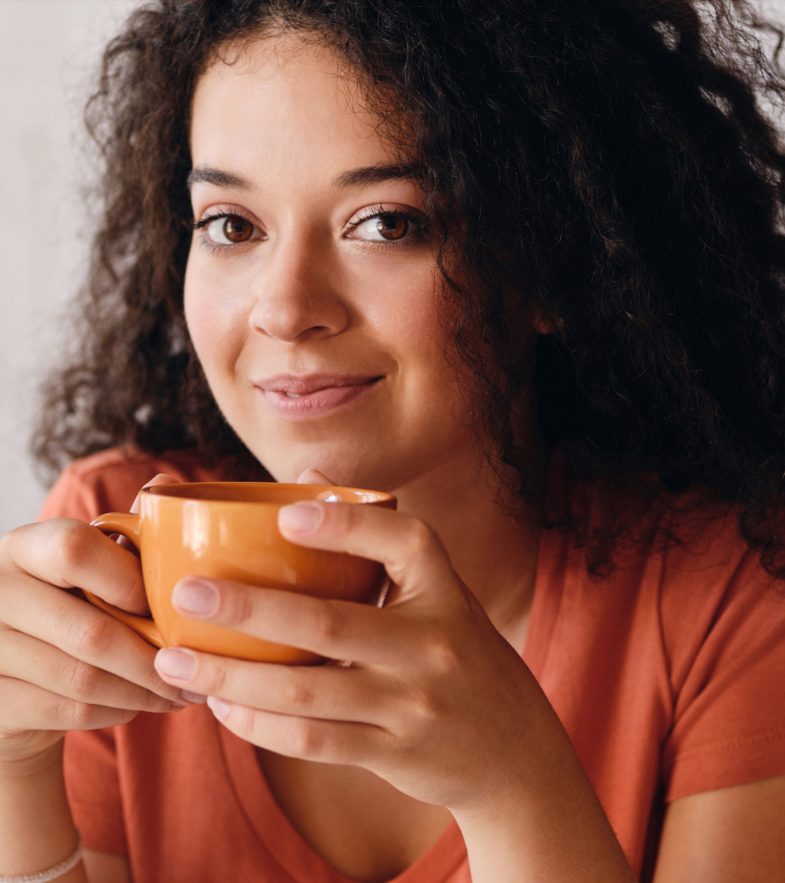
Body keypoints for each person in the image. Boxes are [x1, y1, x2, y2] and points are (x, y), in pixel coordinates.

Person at [2, 0, 785, 880]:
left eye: (387, 222)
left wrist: (513, 787)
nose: (286, 309)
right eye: (231, 224)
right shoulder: (110, 533)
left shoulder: (735, 602)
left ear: (558, 265)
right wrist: (13, 771)